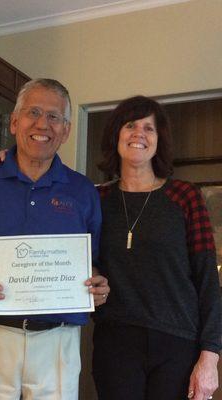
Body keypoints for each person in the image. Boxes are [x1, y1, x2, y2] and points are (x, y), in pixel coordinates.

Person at [0, 78, 109, 400]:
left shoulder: (83, 190)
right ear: (16, 121)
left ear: (66, 130)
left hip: (58, 339)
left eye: (54, 116)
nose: (42, 124)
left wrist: (97, 284)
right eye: (33, 112)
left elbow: (93, 260)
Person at [92, 95, 221, 400]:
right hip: (116, 341)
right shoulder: (95, 199)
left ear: (159, 140)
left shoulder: (184, 197)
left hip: (177, 344)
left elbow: (208, 281)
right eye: (130, 125)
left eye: (149, 128)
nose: (139, 133)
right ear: (116, 135)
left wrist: (211, 356)